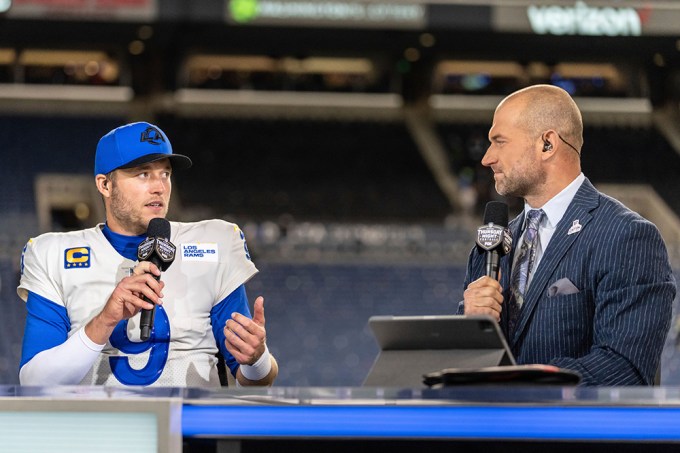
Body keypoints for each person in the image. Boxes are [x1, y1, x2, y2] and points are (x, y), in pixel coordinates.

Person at [18, 121, 278, 387]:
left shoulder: (215, 241)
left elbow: (255, 378)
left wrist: (257, 360)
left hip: (191, 424)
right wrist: (104, 320)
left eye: (165, 174)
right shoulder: (52, 253)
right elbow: (34, 382)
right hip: (98, 425)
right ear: (105, 185)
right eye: (143, 174)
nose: (159, 187)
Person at [460, 84, 676, 386]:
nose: (487, 158)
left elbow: (623, 368)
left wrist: (522, 387)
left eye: (499, 142)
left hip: (579, 431)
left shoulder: (626, 236)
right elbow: (466, 365)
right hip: (499, 431)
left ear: (547, 143)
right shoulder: (493, 246)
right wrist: (469, 325)